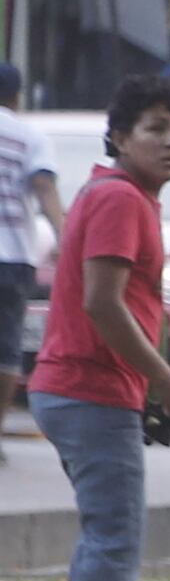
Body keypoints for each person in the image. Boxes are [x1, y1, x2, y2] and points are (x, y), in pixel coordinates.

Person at [30, 73, 170, 581]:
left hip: (81, 387)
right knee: (117, 536)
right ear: (121, 136)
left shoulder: (120, 195)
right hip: (88, 388)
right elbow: (103, 304)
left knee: (102, 531)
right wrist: (164, 378)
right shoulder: (121, 198)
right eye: (156, 129)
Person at [0, 67, 44, 441]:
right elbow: (44, 186)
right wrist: (69, 237)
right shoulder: (27, 134)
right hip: (13, 255)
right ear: (16, 96)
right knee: (7, 346)